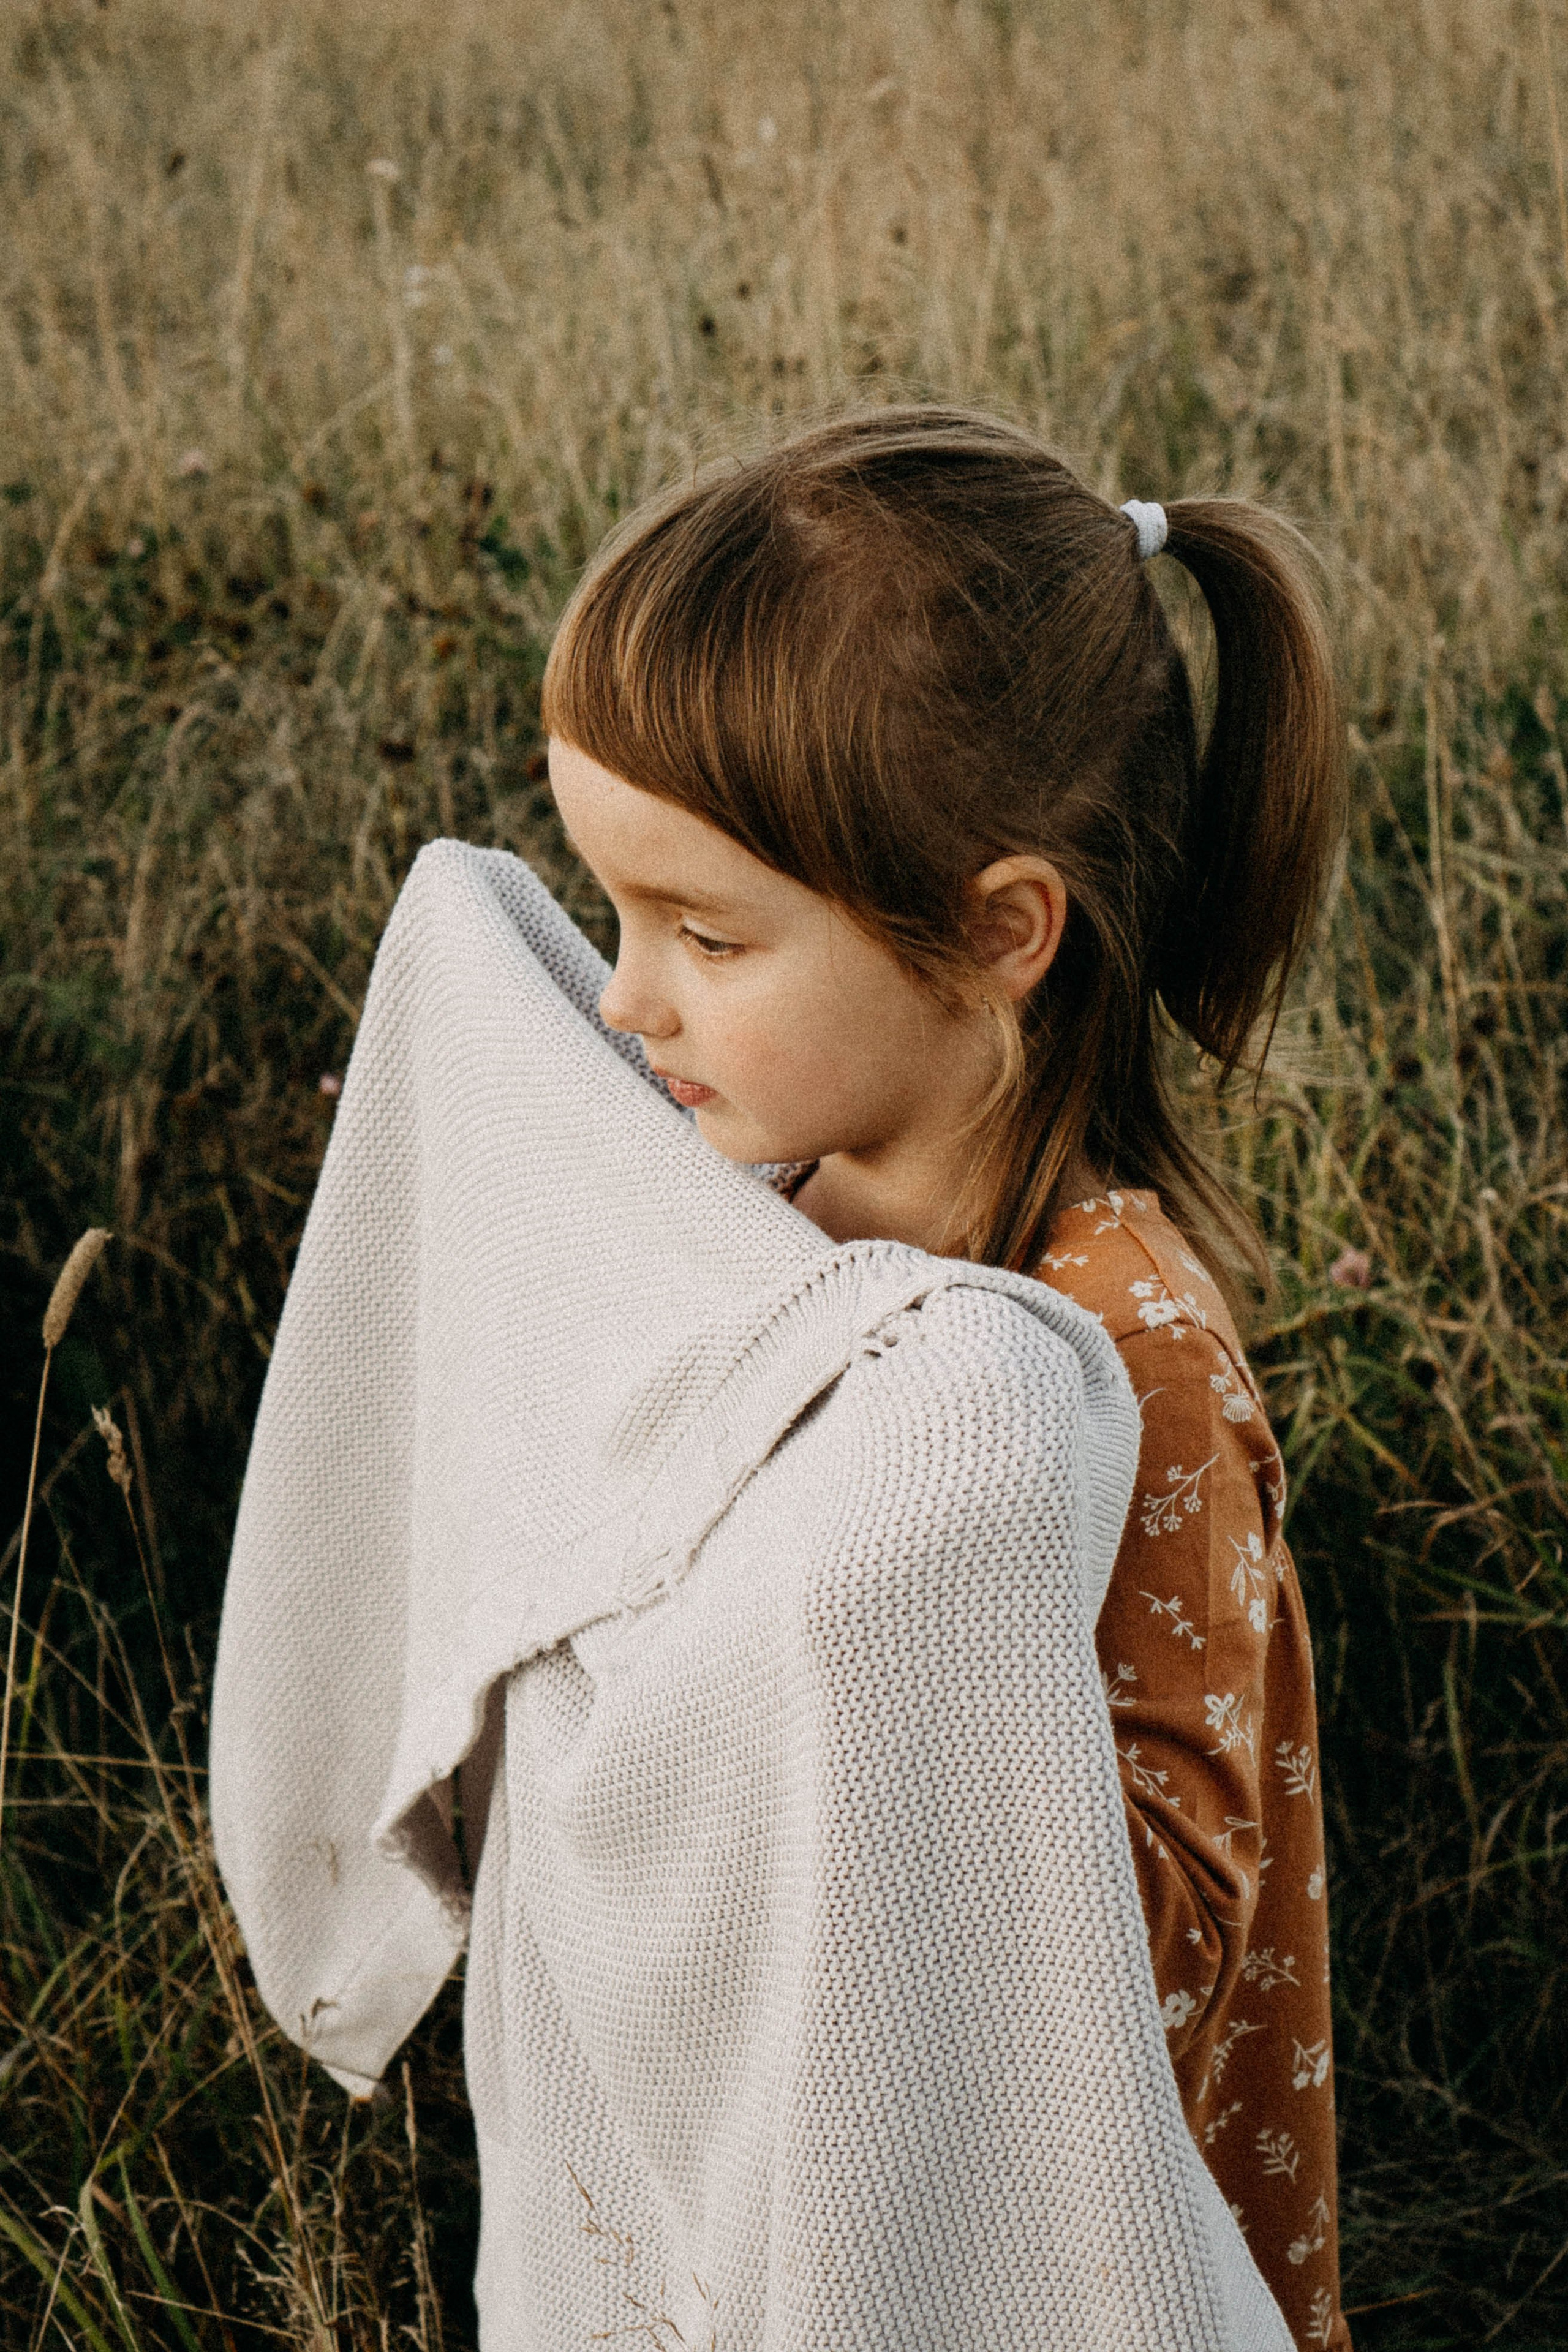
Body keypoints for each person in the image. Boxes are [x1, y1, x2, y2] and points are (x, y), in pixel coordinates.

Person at [536, 404, 1350, 2350]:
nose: (625, 997)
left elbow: (1156, 1942)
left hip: (1090, 2245)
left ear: (996, 934)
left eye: (704, 934)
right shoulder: (762, 1194)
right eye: (615, 913)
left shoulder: (1122, 1346)